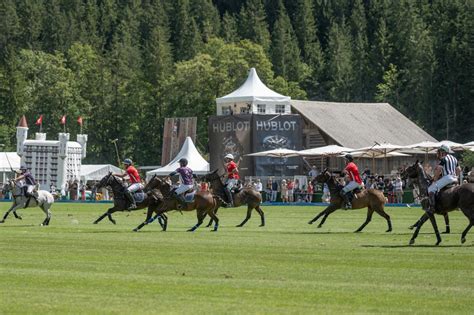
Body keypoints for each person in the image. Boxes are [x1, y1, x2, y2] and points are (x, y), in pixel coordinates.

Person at [427, 145, 461, 213]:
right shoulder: (454, 158)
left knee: (430, 189)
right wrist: (455, 176)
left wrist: (435, 180)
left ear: (443, 151)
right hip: (455, 178)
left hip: (447, 178)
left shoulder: (443, 158)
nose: (439, 153)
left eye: (440, 151)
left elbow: (438, 170)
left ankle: (432, 207)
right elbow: (459, 169)